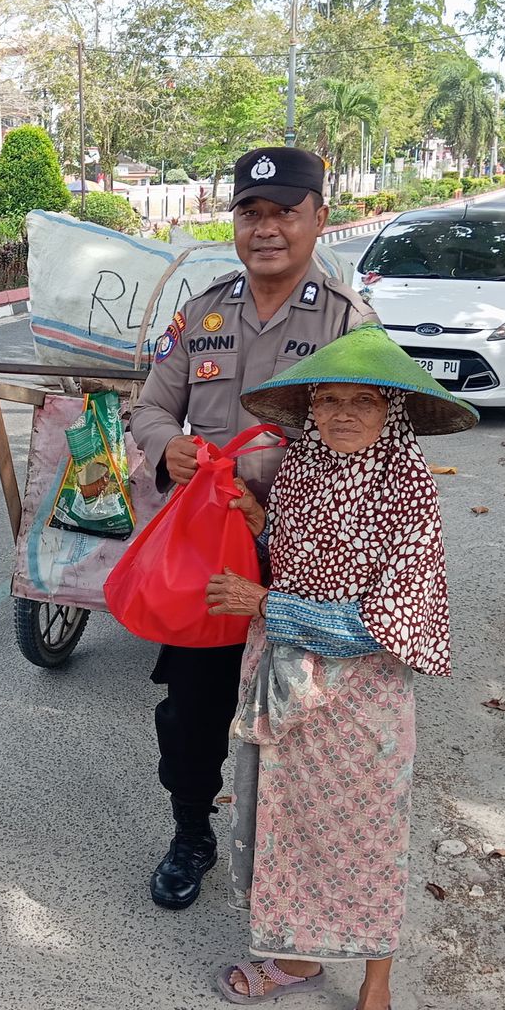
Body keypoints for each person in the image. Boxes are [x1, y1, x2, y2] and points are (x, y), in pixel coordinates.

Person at [202, 324, 476, 1010]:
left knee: (365, 841)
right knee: (281, 822)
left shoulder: (408, 488)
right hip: (285, 679)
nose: (342, 414)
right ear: (310, 409)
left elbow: (389, 620)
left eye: (362, 400)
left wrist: (267, 603)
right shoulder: (300, 471)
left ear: (391, 411)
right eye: (327, 400)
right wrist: (258, 525)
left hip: (364, 700)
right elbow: (296, 555)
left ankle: (377, 998)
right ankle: (293, 959)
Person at [128, 147, 379, 911]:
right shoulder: (202, 312)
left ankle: (292, 849)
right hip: (207, 551)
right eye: (251, 213)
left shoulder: (346, 323)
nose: (266, 228)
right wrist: (162, 447)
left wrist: (282, 513)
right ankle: (190, 832)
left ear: (318, 220)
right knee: (191, 707)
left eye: (284, 213)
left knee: (299, 707)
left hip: (300, 555)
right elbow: (149, 407)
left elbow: (370, 444)